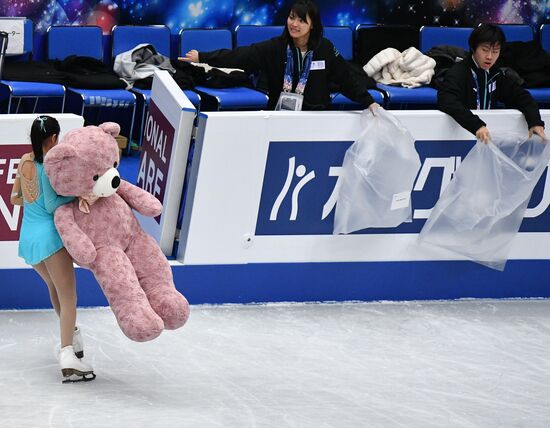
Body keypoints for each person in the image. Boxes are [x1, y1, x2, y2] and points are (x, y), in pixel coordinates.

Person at [11, 115, 95, 383]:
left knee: (54, 289)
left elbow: (15, 197)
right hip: (49, 239)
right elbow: (51, 205)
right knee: (69, 297)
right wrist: (80, 193)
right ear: (54, 138)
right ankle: (68, 355)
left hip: (29, 239)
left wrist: (30, 197)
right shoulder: (48, 164)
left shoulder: (24, 160)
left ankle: (71, 335)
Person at [180, 0, 380, 112]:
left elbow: (347, 79)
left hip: (317, 115)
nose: (294, 24)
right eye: (292, 17)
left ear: (313, 25)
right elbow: (240, 55)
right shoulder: (275, 47)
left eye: (302, 20)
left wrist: (369, 102)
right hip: (280, 116)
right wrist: (203, 56)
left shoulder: (325, 48)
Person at [438, 23, 545, 143]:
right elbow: (447, 100)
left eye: (495, 51)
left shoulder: (496, 74)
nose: (489, 56)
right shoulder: (459, 72)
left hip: (486, 137)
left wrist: (535, 121)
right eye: (485, 50)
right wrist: (476, 125)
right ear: (474, 48)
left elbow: (520, 95)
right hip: (461, 137)